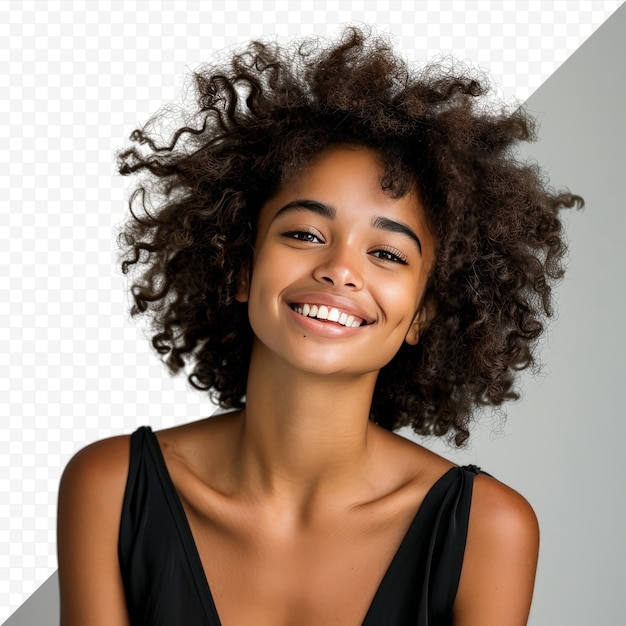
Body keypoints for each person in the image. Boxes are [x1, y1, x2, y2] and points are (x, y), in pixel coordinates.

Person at [56, 27, 581, 625]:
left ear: (425, 313)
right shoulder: (110, 489)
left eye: (387, 254)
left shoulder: (489, 529)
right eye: (304, 234)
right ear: (241, 267)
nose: (339, 270)